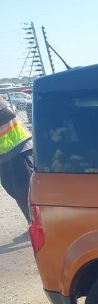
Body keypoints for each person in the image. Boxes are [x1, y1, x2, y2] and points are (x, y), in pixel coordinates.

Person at [0, 95, 33, 223]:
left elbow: (9, 113)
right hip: (5, 154)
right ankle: (32, 224)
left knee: (27, 191)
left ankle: (40, 225)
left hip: (18, 148)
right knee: (17, 193)